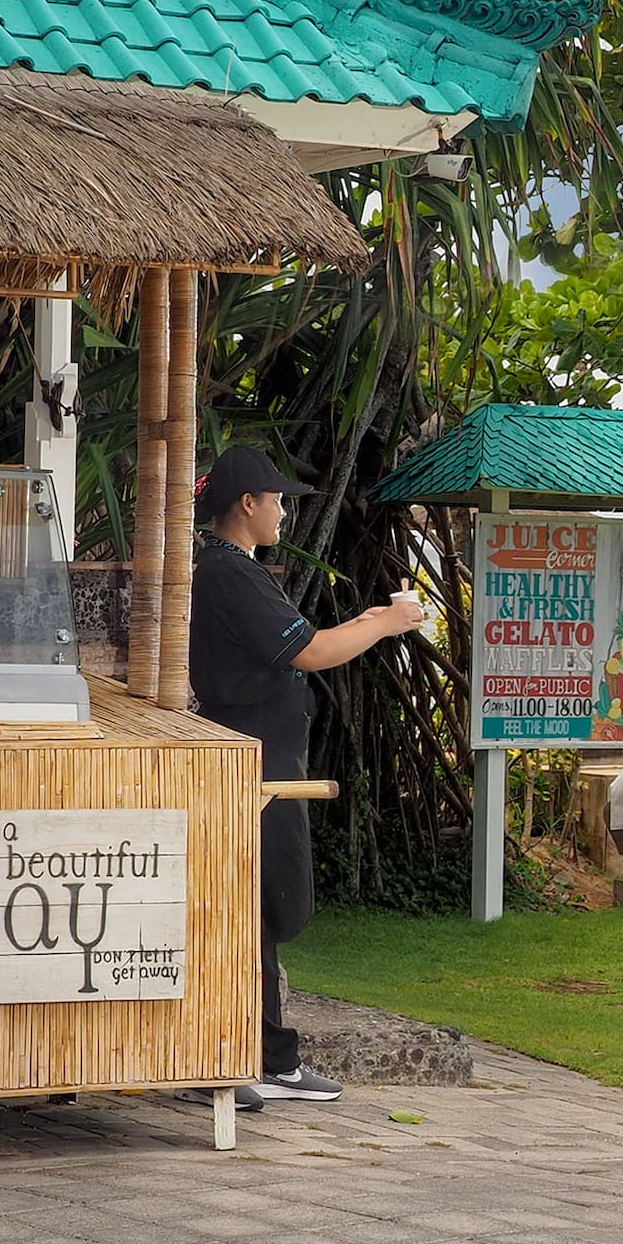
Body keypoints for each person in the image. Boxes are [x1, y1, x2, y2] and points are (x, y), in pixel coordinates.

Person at [188, 443, 425, 1108]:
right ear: (248, 505)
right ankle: (253, 1059)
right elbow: (315, 650)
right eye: (278, 500)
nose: (285, 512)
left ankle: (262, 1056)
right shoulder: (230, 573)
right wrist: (384, 627)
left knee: (261, 911)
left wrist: (377, 620)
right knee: (262, 907)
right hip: (255, 765)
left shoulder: (235, 569)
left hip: (264, 758)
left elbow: (310, 640)